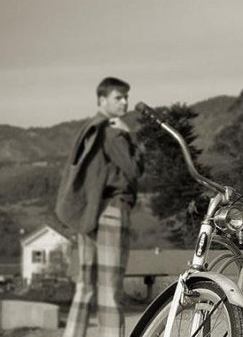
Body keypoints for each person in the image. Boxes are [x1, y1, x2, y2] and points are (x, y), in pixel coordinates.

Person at [55, 77, 143, 337]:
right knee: (110, 290)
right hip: (112, 211)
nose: (125, 102)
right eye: (118, 97)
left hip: (88, 213)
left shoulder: (89, 128)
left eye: (126, 97)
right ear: (102, 100)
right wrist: (128, 135)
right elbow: (134, 169)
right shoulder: (112, 131)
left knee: (85, 288)